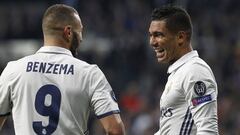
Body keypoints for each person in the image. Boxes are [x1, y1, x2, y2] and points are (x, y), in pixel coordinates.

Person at [0, 4, 125, 135]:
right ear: (69, 32)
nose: (81, 39)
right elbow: (115, 129)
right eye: (80, 31)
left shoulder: (13, 70)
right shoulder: (89, 74)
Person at [149, 6, 219, 134]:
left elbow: (208, 130)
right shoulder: (179, 72)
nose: (152, 42)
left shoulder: (195, 71)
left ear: (180, 37)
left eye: (158, 35)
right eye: (151, 35)